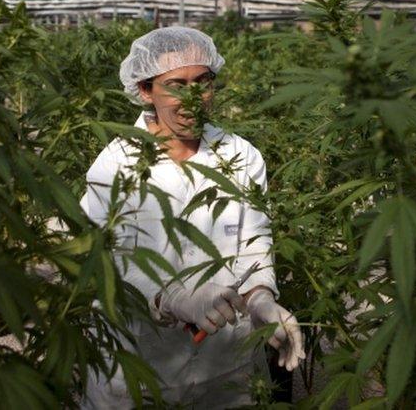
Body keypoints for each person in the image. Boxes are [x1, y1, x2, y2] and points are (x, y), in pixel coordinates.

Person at [81, 27, 304, 408]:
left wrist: (262, 301)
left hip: (225, 372)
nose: (193, 98)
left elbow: (253, 245)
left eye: (203, 82)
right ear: (145, 91)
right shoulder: (117, 163)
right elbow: (104, 263)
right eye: (176, 85)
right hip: (139, 373)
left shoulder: (241, 156)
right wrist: (173, 298)